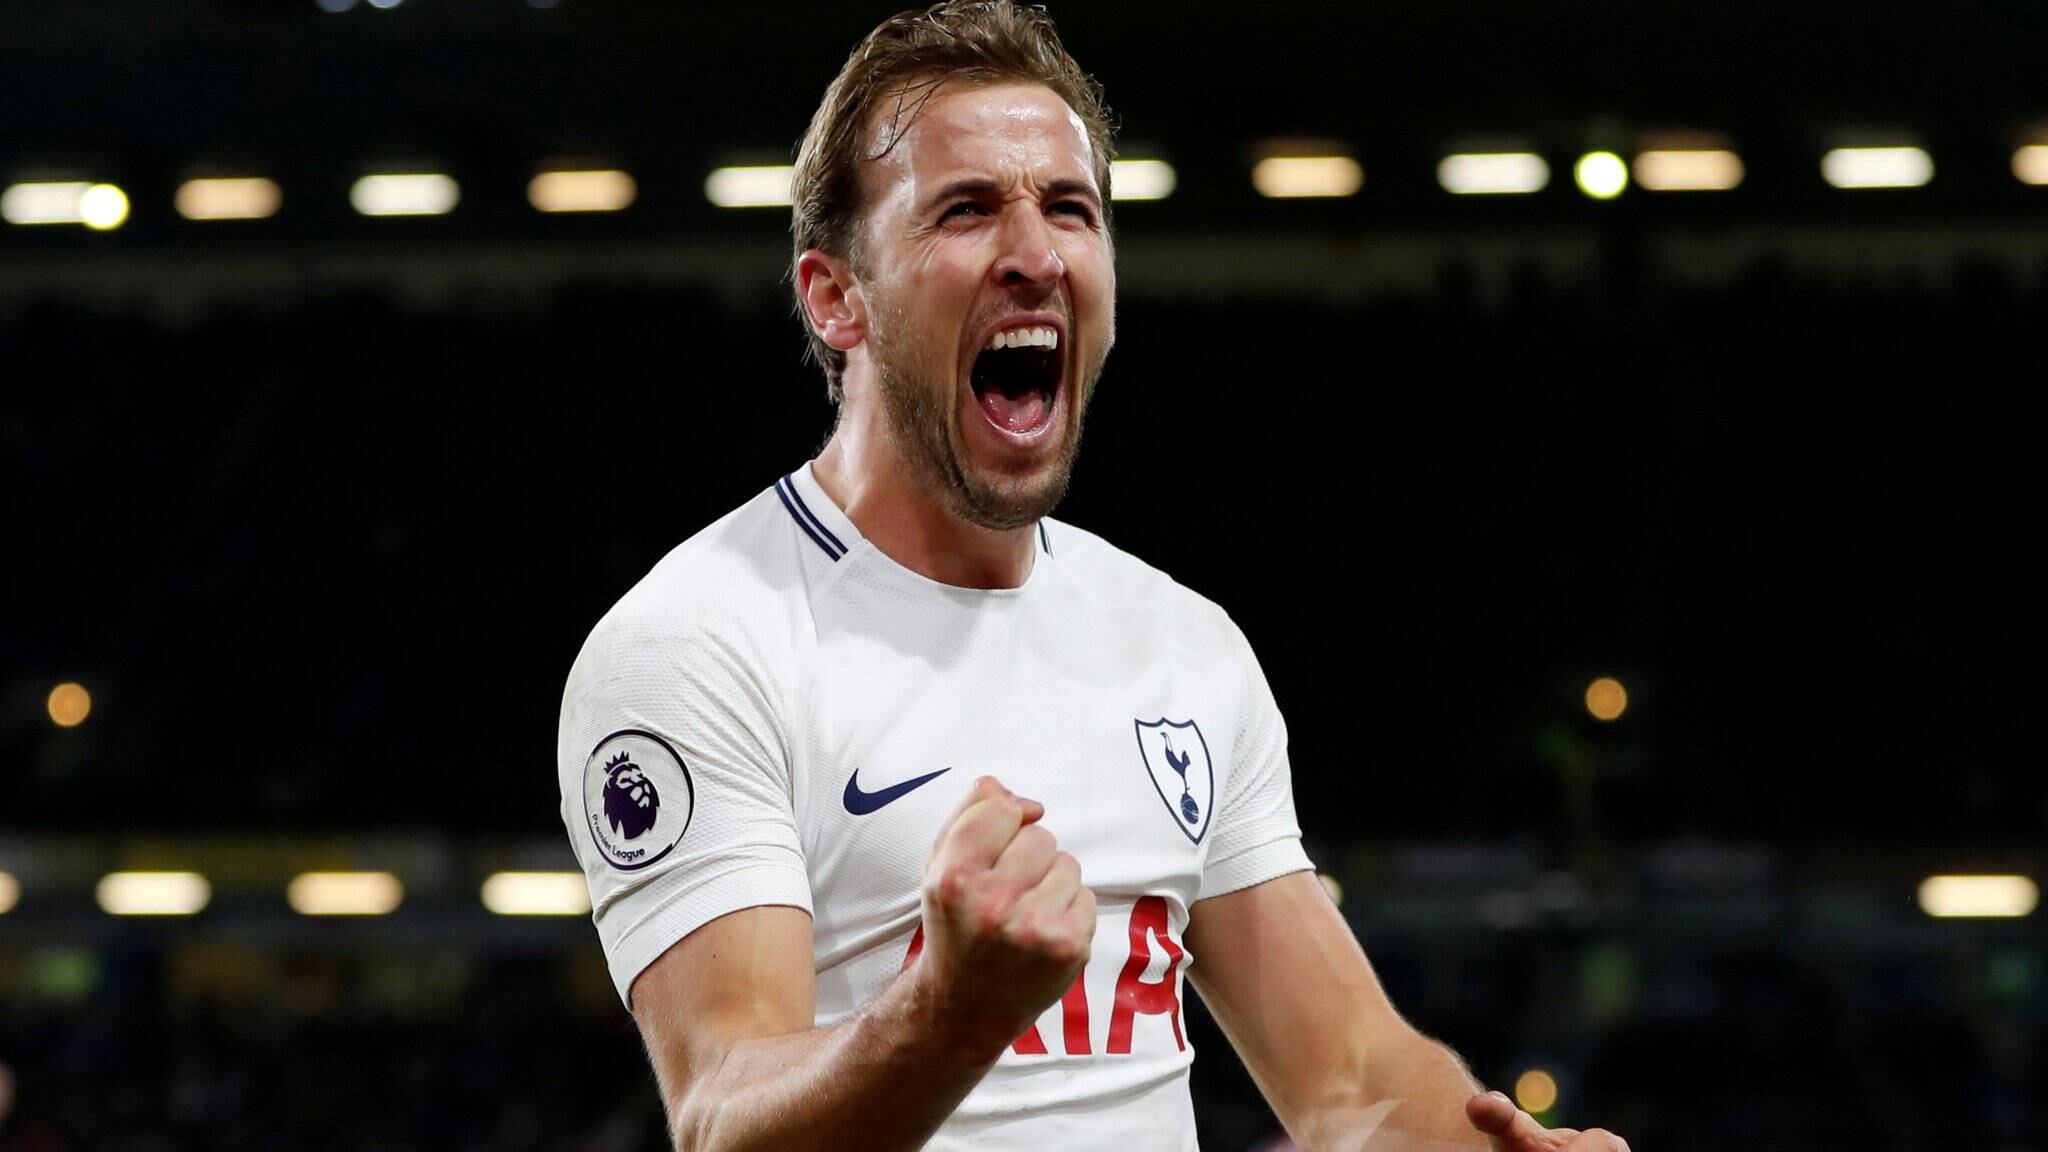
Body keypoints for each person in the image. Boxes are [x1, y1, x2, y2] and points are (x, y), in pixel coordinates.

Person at [556, 3, 1631, 1149]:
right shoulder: (699, 642)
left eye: (1069, 209)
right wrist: (948, 1014)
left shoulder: (1180, 644)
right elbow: (722, 1114)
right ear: (835, 297)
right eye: (966, 209)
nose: (1035, 255)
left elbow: (1351, 1079)